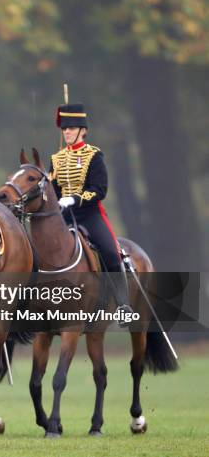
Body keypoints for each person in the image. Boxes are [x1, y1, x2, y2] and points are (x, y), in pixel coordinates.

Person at [49, 103, 134, 323]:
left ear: (83, 131)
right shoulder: (56, 159)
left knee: (111, 254)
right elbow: (52, 191)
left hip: (89, 215)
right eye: (64, 128)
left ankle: (123, 305)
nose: (66, 131)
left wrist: (75, 199)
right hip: (64, 217)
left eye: (71, 127)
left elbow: (100, 190)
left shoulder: (93, 156)